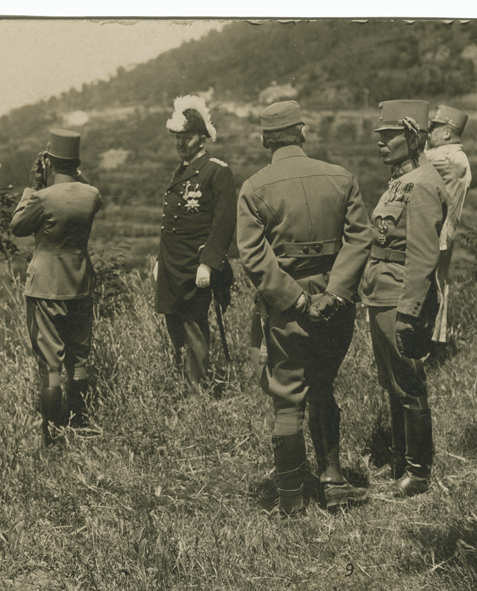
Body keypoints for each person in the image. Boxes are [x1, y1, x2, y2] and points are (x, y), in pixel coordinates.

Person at [236, 100, 371, 516]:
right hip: (336, 305)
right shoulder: (341, 177)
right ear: (303, 132)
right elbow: (360, 239)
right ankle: (333, 482)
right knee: (323, 385)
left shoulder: (254, 188)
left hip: (286, 310)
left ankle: (291, 498)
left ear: (265, 140)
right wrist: (335, 293)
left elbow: (253, 256)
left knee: (288, 396)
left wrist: (296, 300)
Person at [362, 100, 448, 497]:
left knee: (410, 383)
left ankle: (417, 472)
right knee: (393, 383)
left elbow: (423, 255)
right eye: (380, 136)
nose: (380, 143)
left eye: (389, 136)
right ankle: (400, 461)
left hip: (400, 295)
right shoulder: (401, 180)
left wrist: (410, 311)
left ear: (413, 138)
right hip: (381, 293)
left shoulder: (424, 182)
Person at [11, 129, 103, 447]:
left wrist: (34, 184)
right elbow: (87, 190)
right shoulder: (92, 195)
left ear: (48, 162)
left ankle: (53, 440)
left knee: (51, 366)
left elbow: (17, 225)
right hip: (80, 285)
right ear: (76, 162)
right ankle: (78, 426)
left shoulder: (42, 197)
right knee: (79, 361)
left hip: (46, 290)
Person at [153, 95, 237, 395]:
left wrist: (208, 264)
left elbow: (223, 223)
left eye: (186, 137)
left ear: (202, 138)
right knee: (174, 327)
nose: (180, 143)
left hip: (195, 266)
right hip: (172, 264)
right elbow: (170, 225)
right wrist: (160, 260)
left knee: (195, 329)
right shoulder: (181, 171)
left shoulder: (216, 171)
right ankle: (183, 387)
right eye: (177, 138)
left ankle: (199, 395)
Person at [426, 105, 472, 346]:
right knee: (437, 284)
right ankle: (433, 342)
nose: (428, 133)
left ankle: (425, 344)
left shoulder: (448, 156)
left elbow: (412, 159)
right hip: (444, 234)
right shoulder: (457, 157)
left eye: (433, 128)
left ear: (446, 133)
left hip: (436, 235)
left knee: (428, 287)